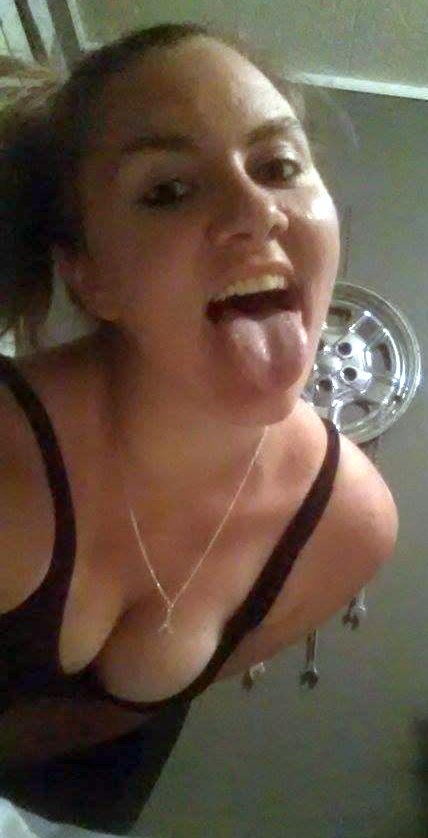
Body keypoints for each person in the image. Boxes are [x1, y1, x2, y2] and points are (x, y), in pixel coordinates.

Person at [0, 21, 398, 835]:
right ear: (91, 277)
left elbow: (115, 720)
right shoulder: (9, 450)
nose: (256, 213)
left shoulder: (348, 526)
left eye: (278, 166)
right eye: (169, 190)